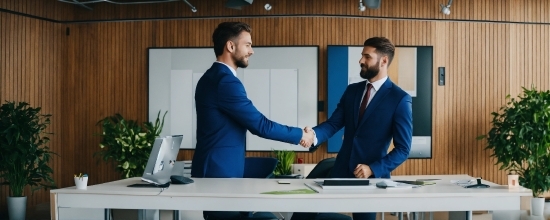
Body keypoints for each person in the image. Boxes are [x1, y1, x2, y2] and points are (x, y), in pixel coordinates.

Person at [293, 37, 413, 220]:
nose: (361, 60)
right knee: (305, 213)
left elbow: (403, 149)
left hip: (370, 179)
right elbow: (334, 123)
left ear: (384, 61)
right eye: (361, 55)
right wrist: (314, 135)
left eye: (367, 56)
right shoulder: (352, 91)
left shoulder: (399, 99)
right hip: (340, 172)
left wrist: (372, 168)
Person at [191, 21, 313, 178]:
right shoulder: (225, 82)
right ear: (231, 46)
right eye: (247, 45)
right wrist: (301, 135)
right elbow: (260, 125)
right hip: (218, 171)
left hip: (215, 167)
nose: (252, 51)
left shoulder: (211, 77)